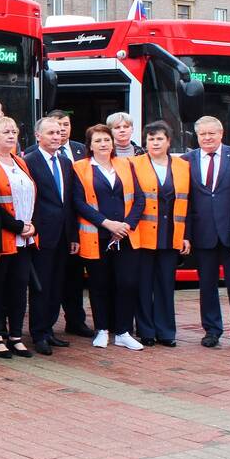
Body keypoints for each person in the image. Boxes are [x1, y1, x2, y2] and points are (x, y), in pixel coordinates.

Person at [73, 124, 146, 351]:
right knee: (99, 284)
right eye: (98, 141)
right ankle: (102, 329)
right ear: (90, 145)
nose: (103, 144)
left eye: (107, 140)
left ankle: (123, 332)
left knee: (127, 283)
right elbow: (79, 203)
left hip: (125, 236)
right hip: (98, 236)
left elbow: (140, 199)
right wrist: (107, 223)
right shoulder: (80, 168)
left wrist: (126, 225)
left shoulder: (125, 164)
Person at [183, 116, 230, 351]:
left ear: (221, 134)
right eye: (202, 134)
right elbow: (187, 200)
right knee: (207, 285)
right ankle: (212, 330)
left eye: (212, 133)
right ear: (197, 136)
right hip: (203, 234)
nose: (207, 138)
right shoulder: (187, 160)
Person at [24, 109, 92, 339]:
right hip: (42, 235)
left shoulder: (65, 162)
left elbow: (70, 202)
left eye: (59, 132)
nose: (56, 136)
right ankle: (39, 333)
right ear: (38, 136)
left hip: (63, 235)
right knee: (41, 287)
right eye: (51, 132)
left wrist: (73, 235)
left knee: (57, 285)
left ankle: (50, 330)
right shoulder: (29, 162)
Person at [130, 121, 190, 347]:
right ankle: (146, 330)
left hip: (171, 235)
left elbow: (188, 203)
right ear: (145, 142)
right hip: (143, 236)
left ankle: (166, 332)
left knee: (165, 285)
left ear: (168, 141)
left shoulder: (183, 166)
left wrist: (186, 235)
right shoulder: (133, 164)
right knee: (143, 285)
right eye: (151, 139)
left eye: (160, 138)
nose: (155, 142)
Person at [0, 117, 37, 359]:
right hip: (1, 237)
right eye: (6, 131)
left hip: (24, 239)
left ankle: (16, 335)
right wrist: (17, 225)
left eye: (14, 131)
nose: (11, 135)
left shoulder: (20, 161)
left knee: (18, 288)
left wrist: (30, 227)